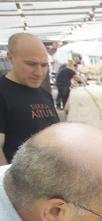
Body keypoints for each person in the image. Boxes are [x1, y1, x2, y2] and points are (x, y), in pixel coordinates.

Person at [0, 33, 59, 165]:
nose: (39, 72)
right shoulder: (3, 92)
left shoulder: (44, 94)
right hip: (19, 182)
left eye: (44, 65)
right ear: (10, 58)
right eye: (31, 64)